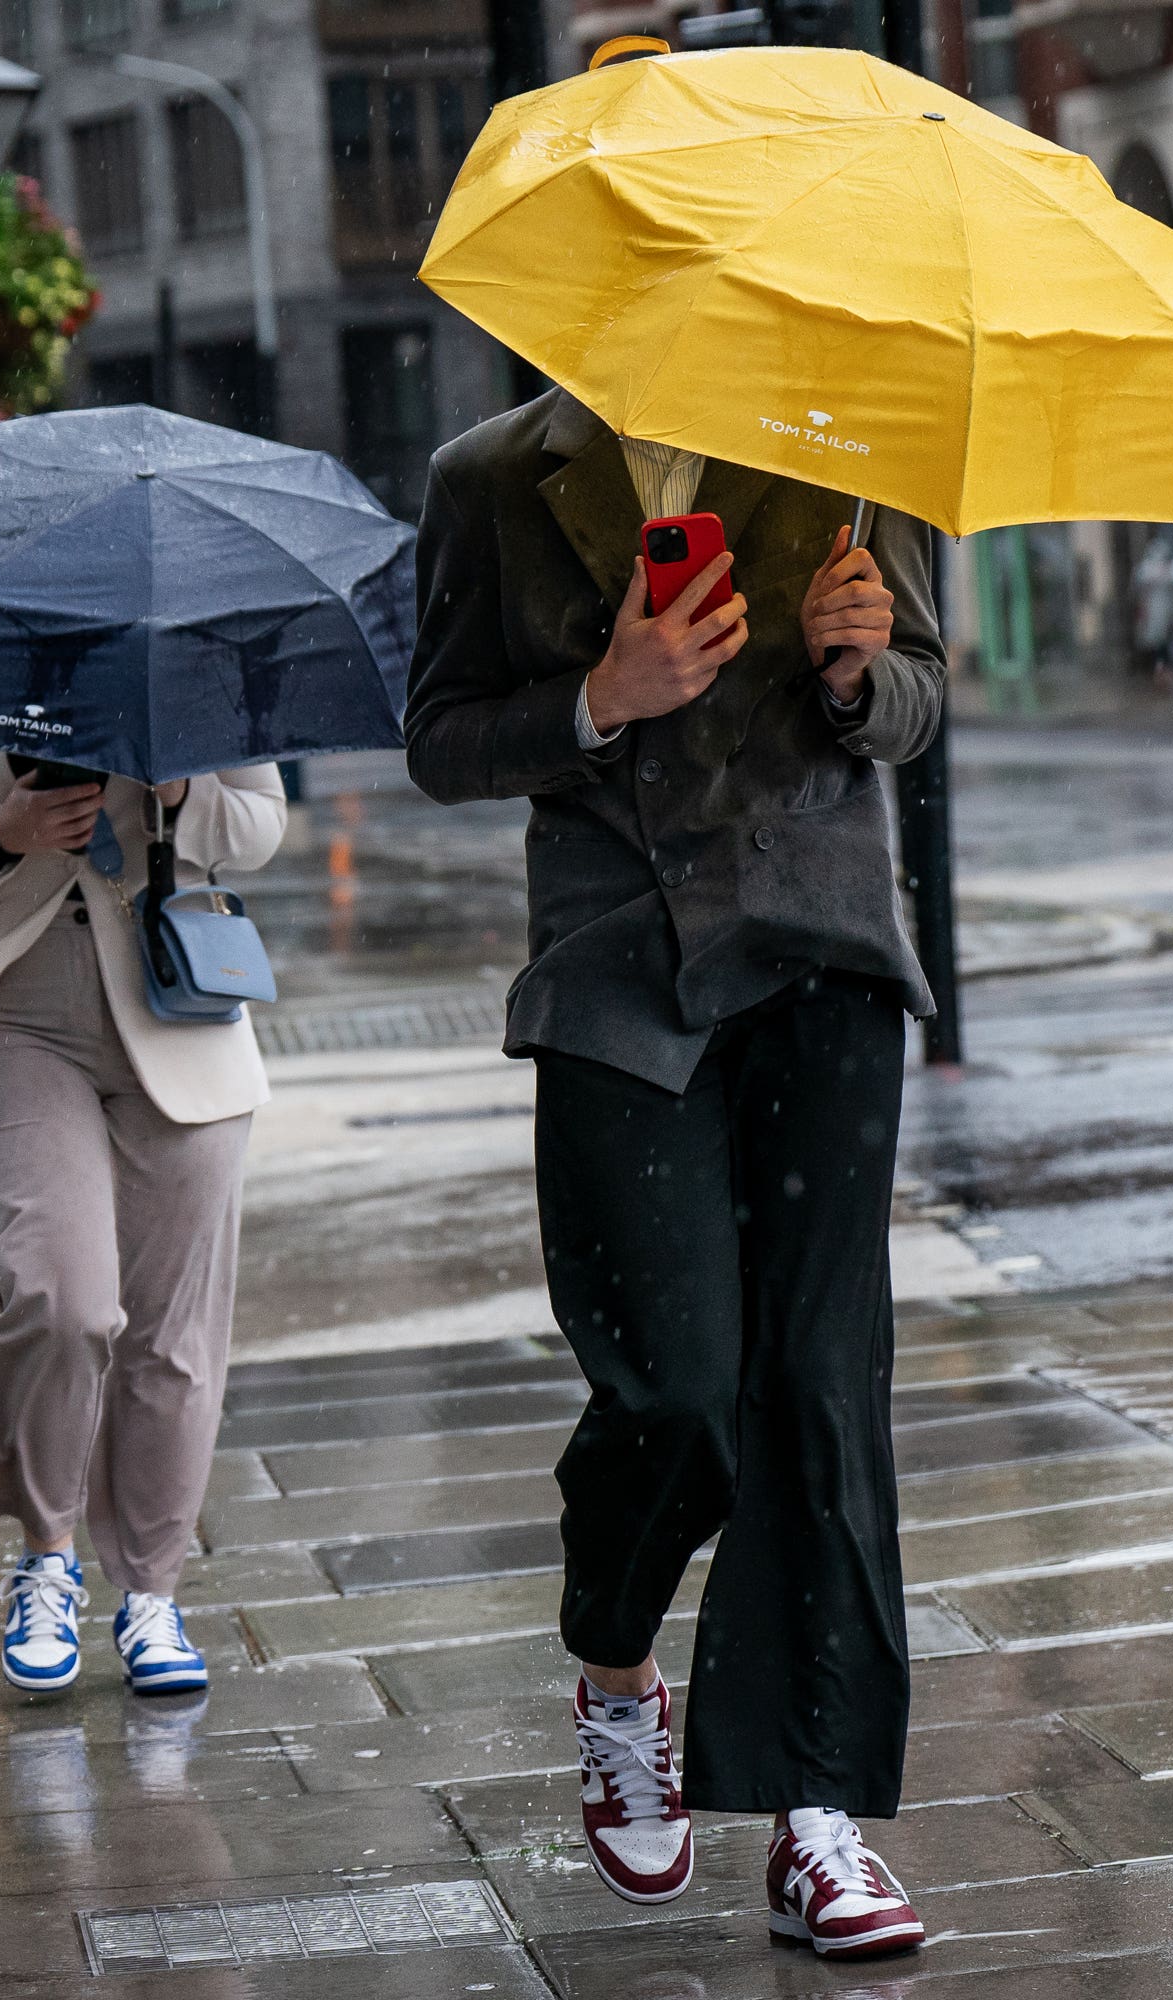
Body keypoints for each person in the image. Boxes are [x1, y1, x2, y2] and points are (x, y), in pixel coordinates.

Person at [406, 391, 943, 1962]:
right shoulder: (493, 478)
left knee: (821, 1384)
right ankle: (616, 1659)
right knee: (681, 1383)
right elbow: (438, 737)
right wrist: (597, 695)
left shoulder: (848, 448)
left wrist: (860, 670)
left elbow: (922, 700)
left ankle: (816, 1818)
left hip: (821, 954)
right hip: (616, 967)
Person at [0, 741, 287, 1695]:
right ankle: (44, 1555)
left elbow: (261, 826)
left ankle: (150, 1594)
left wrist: (181, 787)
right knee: (64, 1296)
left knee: (174, 1335)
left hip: (181, 992)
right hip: (15, 1014)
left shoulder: (191, 624)